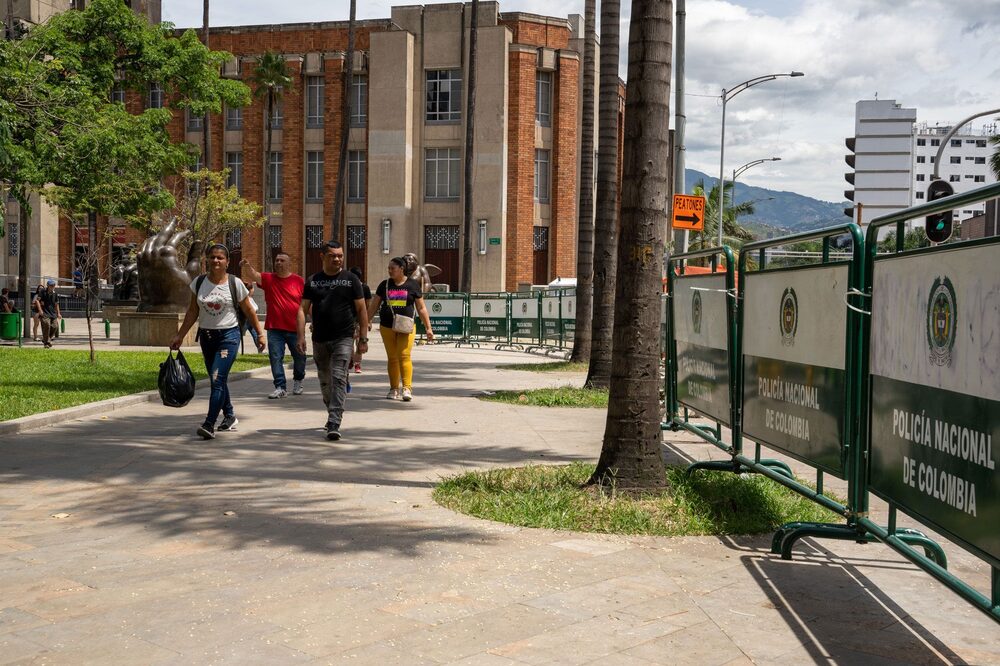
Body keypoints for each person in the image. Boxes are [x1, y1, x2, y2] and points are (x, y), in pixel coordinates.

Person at [169, 244, 265, 441]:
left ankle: (209, 424)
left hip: (228, 337)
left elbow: (249, 310)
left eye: (220, 258)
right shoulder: (199, 282)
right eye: (212, 257)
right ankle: (229, 416)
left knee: (217, 379)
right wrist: (180, 335)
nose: (216, 261)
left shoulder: (235, 283)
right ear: (207, 260)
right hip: (207, 337)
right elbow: (192, 311)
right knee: (217, 379)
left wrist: (260, 334)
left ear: (227, 262)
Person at [296, 241, 369, 441]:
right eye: (333, 255)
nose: (337, 259)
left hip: (344, 338)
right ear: (322, 257)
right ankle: (332, 411)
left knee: (338, 377)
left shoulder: (351, 280)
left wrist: (362, 339)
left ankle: (335, 421)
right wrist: (300, 336)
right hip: (319, 339)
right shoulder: (313, 281)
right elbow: (302, 310)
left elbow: (362, 310)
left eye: (340, 255)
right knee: (325, 381)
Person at [367, 256, 434, 402]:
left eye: (393, 268)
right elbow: (374, 305)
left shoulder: (412, 285)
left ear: (401, 269)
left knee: (404, 355)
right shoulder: (384, 285)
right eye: (389, 268)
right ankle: (394, 388)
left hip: (406, 327)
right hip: (387, 326)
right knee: (392, 358)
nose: (390, 271)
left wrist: (428, 328)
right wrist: (367, 320)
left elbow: (421, 308)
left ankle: (407, 388)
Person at [240, 253, 306, 399]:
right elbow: (254, 275)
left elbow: (306, 304)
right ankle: (280, 387)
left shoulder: (299, 281)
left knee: (300, 357)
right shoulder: (269, 279)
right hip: (275, 328)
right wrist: (246, 265)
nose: (278, 263)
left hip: (295, 329)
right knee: (275, 357)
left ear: (289, 264)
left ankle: (298, 380)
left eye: (282, 261)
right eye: (277, 260)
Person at [349, 266, 372, 373]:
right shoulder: (347, 287)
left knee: (359, 341)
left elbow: (367, 305)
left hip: (360, 320)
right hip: (349, 319)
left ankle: (357, 364)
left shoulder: (365, 288)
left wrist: (369, 321)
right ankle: (351, 361)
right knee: (349, 341)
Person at [34, 279, 61, 348]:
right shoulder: (42, 291)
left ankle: (46, 339)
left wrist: (58, 313)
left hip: (53, 313)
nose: (52, 287)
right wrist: (40, 310)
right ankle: (46, 343)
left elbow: (56, 304)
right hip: (44, 312)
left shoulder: (55, 293)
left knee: (55, 327)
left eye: (54, 285)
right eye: (51, 285)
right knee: (46, 325)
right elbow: (37, 301)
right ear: (48, 286)